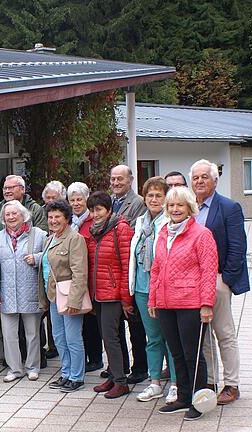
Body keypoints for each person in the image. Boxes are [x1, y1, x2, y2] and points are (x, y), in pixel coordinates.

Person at [149, 186, 218, 421]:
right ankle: (183, 397)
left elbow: (209, 271)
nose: (175, 209)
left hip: (191, 304)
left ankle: (199, 401)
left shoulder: (201, 234)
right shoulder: (163, 232)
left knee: (193, 355)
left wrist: (207, 304)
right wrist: (153, 298)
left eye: (180, 205)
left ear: (190, 207)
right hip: (166, 303)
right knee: (176, 353)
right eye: (171, 205)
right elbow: (156, 268)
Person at [190, 159, 249, 405]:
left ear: (215, 180)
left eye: (205, 177)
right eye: (196, 177)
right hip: (192, 282)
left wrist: (225, 280)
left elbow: (237, 248)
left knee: (224, 333)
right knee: (202, 335)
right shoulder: (188, 207)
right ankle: (210, 381)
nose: (200, 181)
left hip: (217, 279)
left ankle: (231, 384)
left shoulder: (229, 207)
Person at [130, 177, 178, 404]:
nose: (154, 199)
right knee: (153, 338)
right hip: (141, 288)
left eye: (159, 195)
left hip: (163, 289)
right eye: (150, 195)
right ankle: (155, 382)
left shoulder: (170, 222)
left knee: (171, 338)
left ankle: (177, 385)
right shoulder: (140, 222)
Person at [34, 199, 88, 393]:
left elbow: (79, 272)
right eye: (50, 217)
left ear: (66, 218)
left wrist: (75, 300)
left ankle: (77, 376)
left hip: (69, 297)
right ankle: (65, 373)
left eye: (57, 216)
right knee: (58, 337)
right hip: (53, 297)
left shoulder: (74, 239)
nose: (53, 220)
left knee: (73, 338)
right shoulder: (50, 238)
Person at [85, 191, 133, 399]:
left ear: (109, 210)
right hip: (99, 292)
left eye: (99, 210)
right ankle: (114, 375)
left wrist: (125, 298)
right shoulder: (96, 231)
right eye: (92, 210)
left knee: (111, 337)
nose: (95, 214)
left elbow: (126, 265)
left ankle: (121, 382)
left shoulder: (120, 229)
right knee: (109, 336)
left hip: (113, 294)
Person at [0, 200, 46, 382]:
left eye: (14, 213)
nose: (10, 217)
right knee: (9, 335)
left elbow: (49, 256)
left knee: (32, 333)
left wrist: (37, 258)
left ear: (23, 215)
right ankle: (15, 369)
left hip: (30, 291)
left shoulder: (38, 234)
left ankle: (33, 367)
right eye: (7, 214)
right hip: (6, 292)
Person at [109, 164, 148, 385]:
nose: (116, 183)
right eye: (113, 179)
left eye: (120, 179)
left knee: (135, 325)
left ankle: (140, 367)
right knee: (115, 326)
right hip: (112, 271)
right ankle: (119, 366)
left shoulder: (138, 203)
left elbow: (132, 232)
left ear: (130, 180)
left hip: (130, 269)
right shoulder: (111, 200)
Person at [67, 182, 101, 372]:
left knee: (91, 321)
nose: (76, 203)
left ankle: (95, 358)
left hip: (91, 277)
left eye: (79, 199)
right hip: (73, 279)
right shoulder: (70, 222)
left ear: (86, 199)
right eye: (72, 200)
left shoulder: (93, 221)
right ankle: (83, 357)